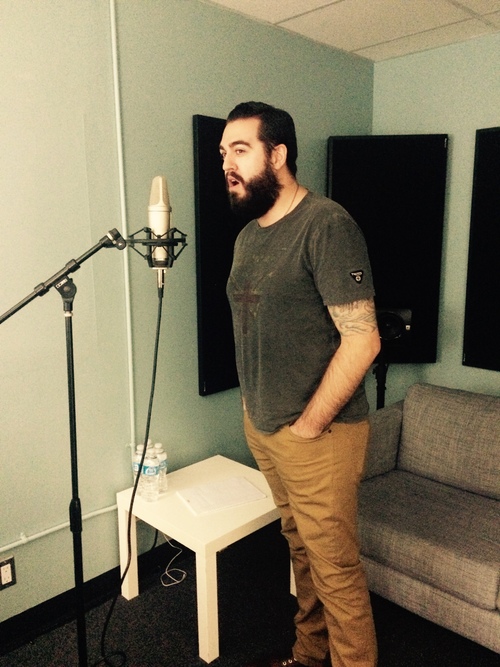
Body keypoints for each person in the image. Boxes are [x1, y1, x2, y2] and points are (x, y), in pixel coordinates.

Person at [220, 101, 380, 667]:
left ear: (278, 155)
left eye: (241, 150)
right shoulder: (248, 237)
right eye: (223, 153)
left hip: (320, 434)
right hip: (265, 427)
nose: (228, 164)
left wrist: (309, 425)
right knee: (300, 549)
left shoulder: (327, 225)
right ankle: (310, 654)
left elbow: (363, 339)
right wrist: (252, 408)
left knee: (335, 569)